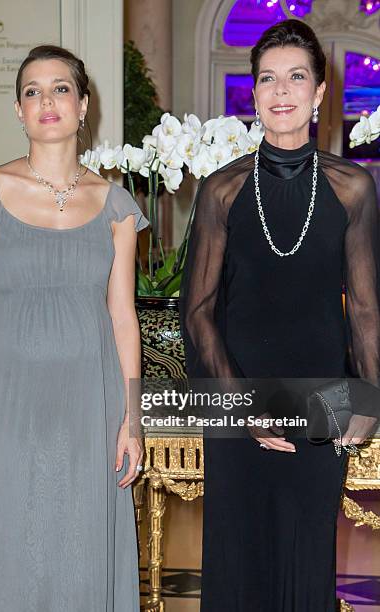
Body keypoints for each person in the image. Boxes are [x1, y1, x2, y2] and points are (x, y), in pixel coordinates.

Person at [0, 45, 149, 611]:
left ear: (83, 106)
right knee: (15, 537)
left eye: (59, 89)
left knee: (85, 542)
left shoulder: (117, 205)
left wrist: (133, 418)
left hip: (92, 402)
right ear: (18, 110)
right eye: (32, 90)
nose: (45, 100)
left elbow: (124, 317)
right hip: (11, 400)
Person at [180, 19, 380, 612]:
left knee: (306, 555)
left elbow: (367, 310)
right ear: (255, 92)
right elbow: (198, 312)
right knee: (240, 559)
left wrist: (368, 399)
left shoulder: (353, 189)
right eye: (268, 79)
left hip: (321, 400)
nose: (282, 91)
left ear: (319, 92)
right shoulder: (221, 190)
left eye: (297, 77)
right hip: (237, 393)